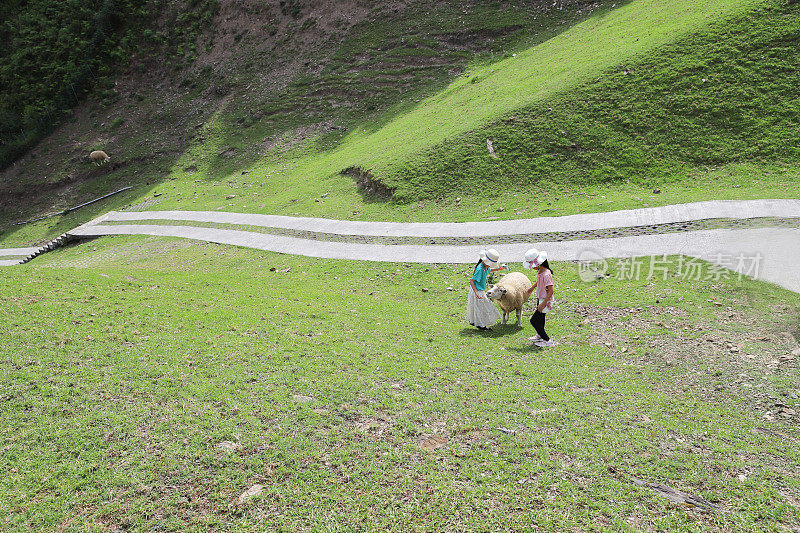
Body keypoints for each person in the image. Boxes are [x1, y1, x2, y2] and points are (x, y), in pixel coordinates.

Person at [523, 249, 556, 347]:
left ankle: (547, 340)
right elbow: (539, 281)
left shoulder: (546, 274)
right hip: (541, 298)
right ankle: (540, 335)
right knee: (541, 318)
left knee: (533, 320)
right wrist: (532, 288)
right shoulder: (540, 271)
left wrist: (543, 303)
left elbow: (550, 291)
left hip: (545, 300)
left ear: (539, 264)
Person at [467, 248, 505, 331]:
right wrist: (476, 292)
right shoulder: (480, 269)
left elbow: (488, 270)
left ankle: (478, 323)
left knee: (480, 307)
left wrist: (499, 269)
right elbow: (472, 281)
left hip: (479, 290)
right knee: (483, 307)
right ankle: (482, 325)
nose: (490, 266)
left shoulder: (484, 267)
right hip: (477, 290)